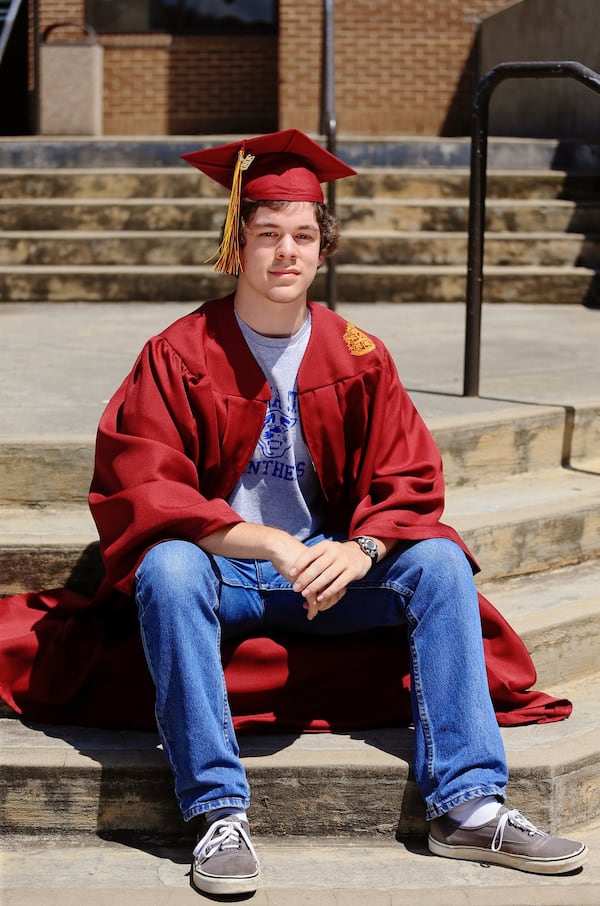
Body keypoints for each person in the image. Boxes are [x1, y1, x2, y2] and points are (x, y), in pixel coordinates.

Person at [87, 130, 587, 896]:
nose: (285, 253)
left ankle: (468, 806)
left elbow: (408, 479)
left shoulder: (358, 354)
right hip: (229, 573)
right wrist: (266, 542)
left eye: (303, 236)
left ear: (323, 249)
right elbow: (145, 486)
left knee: (440, 561)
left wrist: (363, 551)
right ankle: (218, 812)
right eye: (267, 235)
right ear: (236, 244)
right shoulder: (180, 352)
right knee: (168, 565)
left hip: (332, 577)